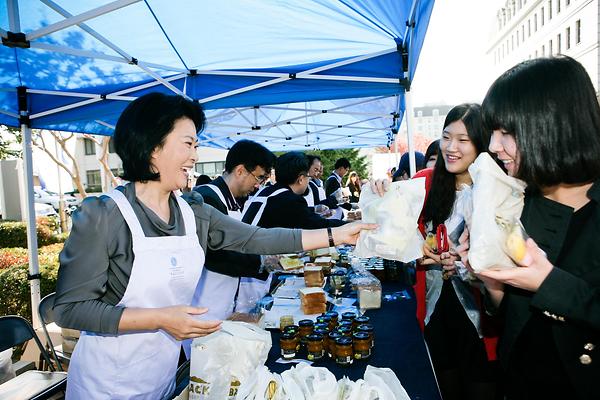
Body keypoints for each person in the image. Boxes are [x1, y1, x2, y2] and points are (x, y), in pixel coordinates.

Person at [53, 92, 374, 399]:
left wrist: (337, 234)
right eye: (188, 144)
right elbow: (70, 309)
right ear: (153, 148)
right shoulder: (103, 215)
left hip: (162, 374)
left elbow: (255, 239)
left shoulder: (191, 210)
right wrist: (160, 318)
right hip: (107, 383)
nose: (195, 155)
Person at [475, 56, 600, 399]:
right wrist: (492, 281)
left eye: (507, 132)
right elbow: (514, 317)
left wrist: (550, 283)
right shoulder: (520, 202)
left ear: (553, 125)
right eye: (493, 132)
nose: (492, 146)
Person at [413, 104, 497, 400]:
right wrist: (418, 247)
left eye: (463, 140)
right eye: (447, 137)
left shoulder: (497, 191)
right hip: (437, 307)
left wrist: (468, 262)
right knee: (445, 388)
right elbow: (396, 226)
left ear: (481, 143)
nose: (451, 148)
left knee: (480, 386)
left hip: (479, 315)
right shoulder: (427, 181)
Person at [191, 139, 276, 321]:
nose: (258, 185)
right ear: (240, 171)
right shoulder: (207, 198)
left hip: (225, 303)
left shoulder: (234, 200)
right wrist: (261, 262)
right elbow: (215, 256)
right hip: (204, 308)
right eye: (259, 177)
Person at [242, 152, 346, 230]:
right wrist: (349, 225)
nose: (308, 181)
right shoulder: (290, 200)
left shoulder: (268, 191)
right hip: (254, 256)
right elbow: (318, 225)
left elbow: (297, 214)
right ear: (301, 179)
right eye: (308, 177)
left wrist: (313, 210)